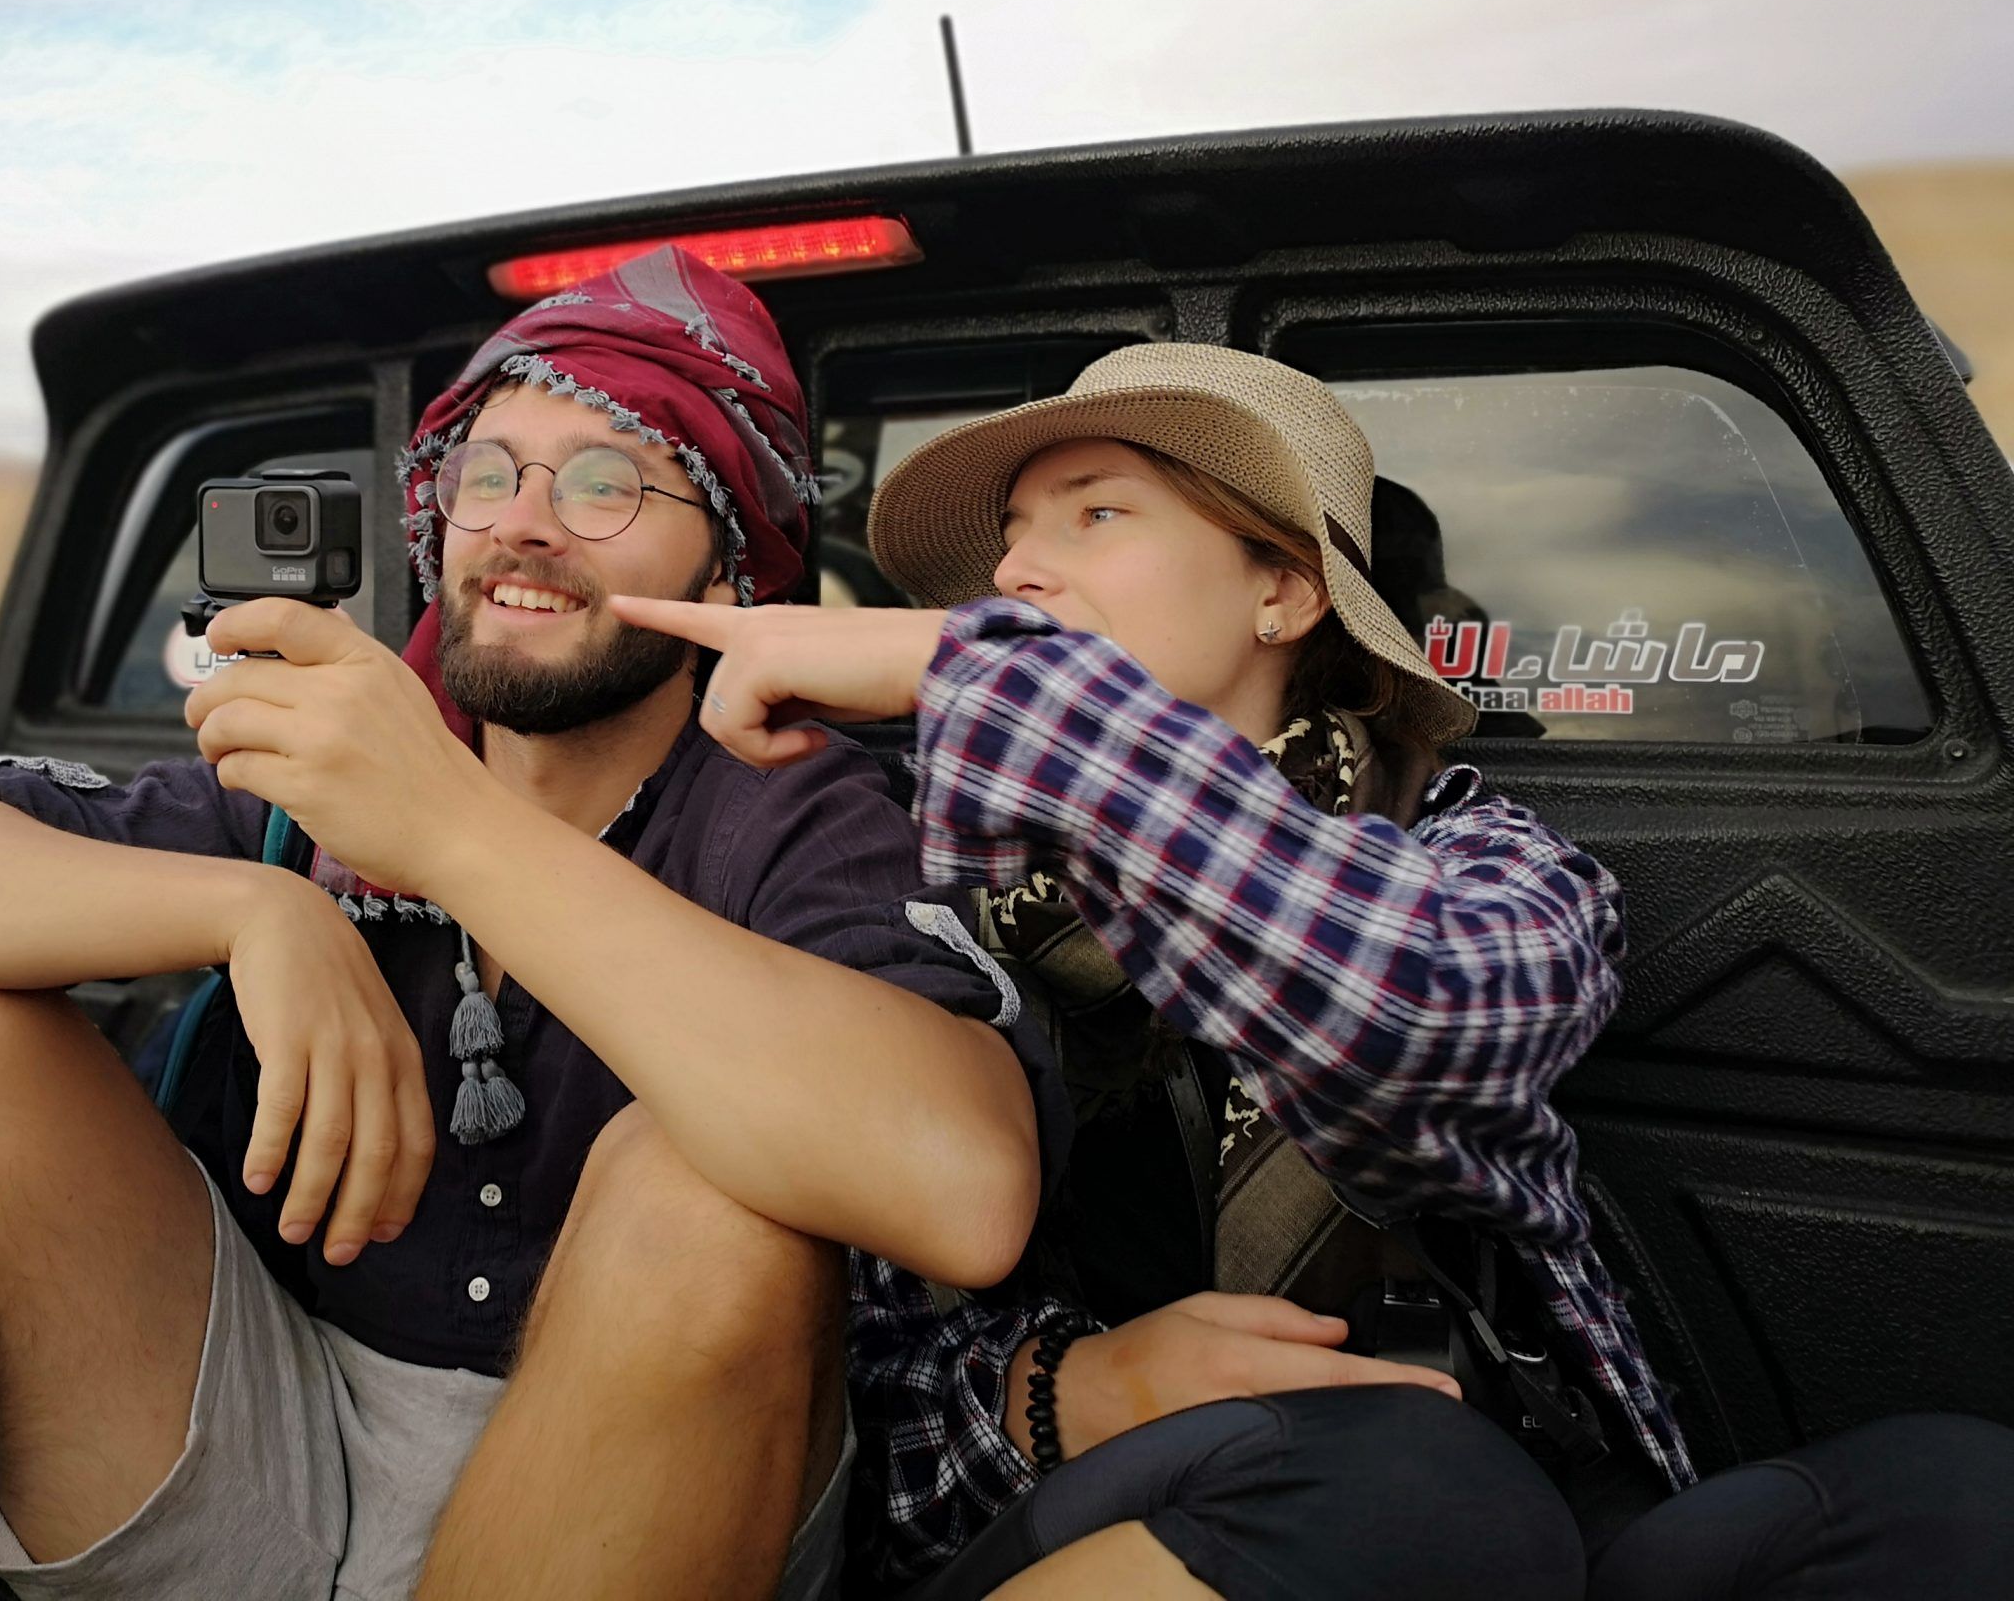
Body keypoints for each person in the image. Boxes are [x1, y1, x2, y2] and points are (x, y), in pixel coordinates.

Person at [0, 246, 1063, 1601]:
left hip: (638, 1487)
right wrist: (254, 908)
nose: (519, 519)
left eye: (607, 483)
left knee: (714, 1197)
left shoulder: (790, 809)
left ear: (725, 569)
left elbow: (960, 1188)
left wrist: (450, 828)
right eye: (489, 473)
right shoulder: (319, 775)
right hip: (271, 1434)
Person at [615, 342, 2014, 1600]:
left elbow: (1413, 1015)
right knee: (1398, 1496)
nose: (1020, 575)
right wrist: (1066, 1393)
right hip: (1129, 1516)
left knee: (1954, 1496)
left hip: (1521, 1500)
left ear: (1284, 593)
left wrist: (1007, 689)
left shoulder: (1482, 860)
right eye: (1010, 545)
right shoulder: (925, 902)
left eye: (1097, 513)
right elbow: (832, 1391)